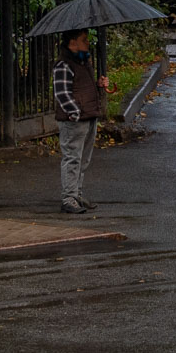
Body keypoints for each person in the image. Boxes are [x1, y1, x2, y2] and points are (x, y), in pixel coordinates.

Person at [52, 29, 108, 214]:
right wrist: (75, 113)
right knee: (72, 158)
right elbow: (62, 94)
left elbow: (83, 87)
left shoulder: (83, 62)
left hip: (88, 116)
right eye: (84, 40)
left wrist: (99, 85)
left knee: (83, 159)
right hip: (75, 120)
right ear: (73, 43)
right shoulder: (63, 65)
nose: (88, 43)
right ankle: (69, 198)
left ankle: (77, 194)